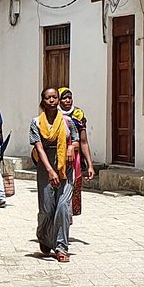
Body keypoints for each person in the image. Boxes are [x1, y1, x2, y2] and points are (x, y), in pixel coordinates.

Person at [30, 87, 76, 263]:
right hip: (45, 165)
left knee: (63, 207)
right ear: (43, 100)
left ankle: (61, 247)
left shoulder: (67, 121)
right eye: (48, 97)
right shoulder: (36, 123)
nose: (52, 100)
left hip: (66, 166)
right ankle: (43, 235)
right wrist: (50, 170)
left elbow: (77, 139)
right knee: (47, 208)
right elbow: (38, 147)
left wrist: (72, 146)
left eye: (54, 97)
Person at [58, 87, 95, 217]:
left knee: (72, 185)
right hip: (58, 155)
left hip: (75, 157)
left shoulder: (78, 114)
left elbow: (83, 141)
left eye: (69, 97)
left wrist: (90, 165)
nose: (67, 100)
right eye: (64, 98)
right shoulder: (54, 114)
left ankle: (68, 215)